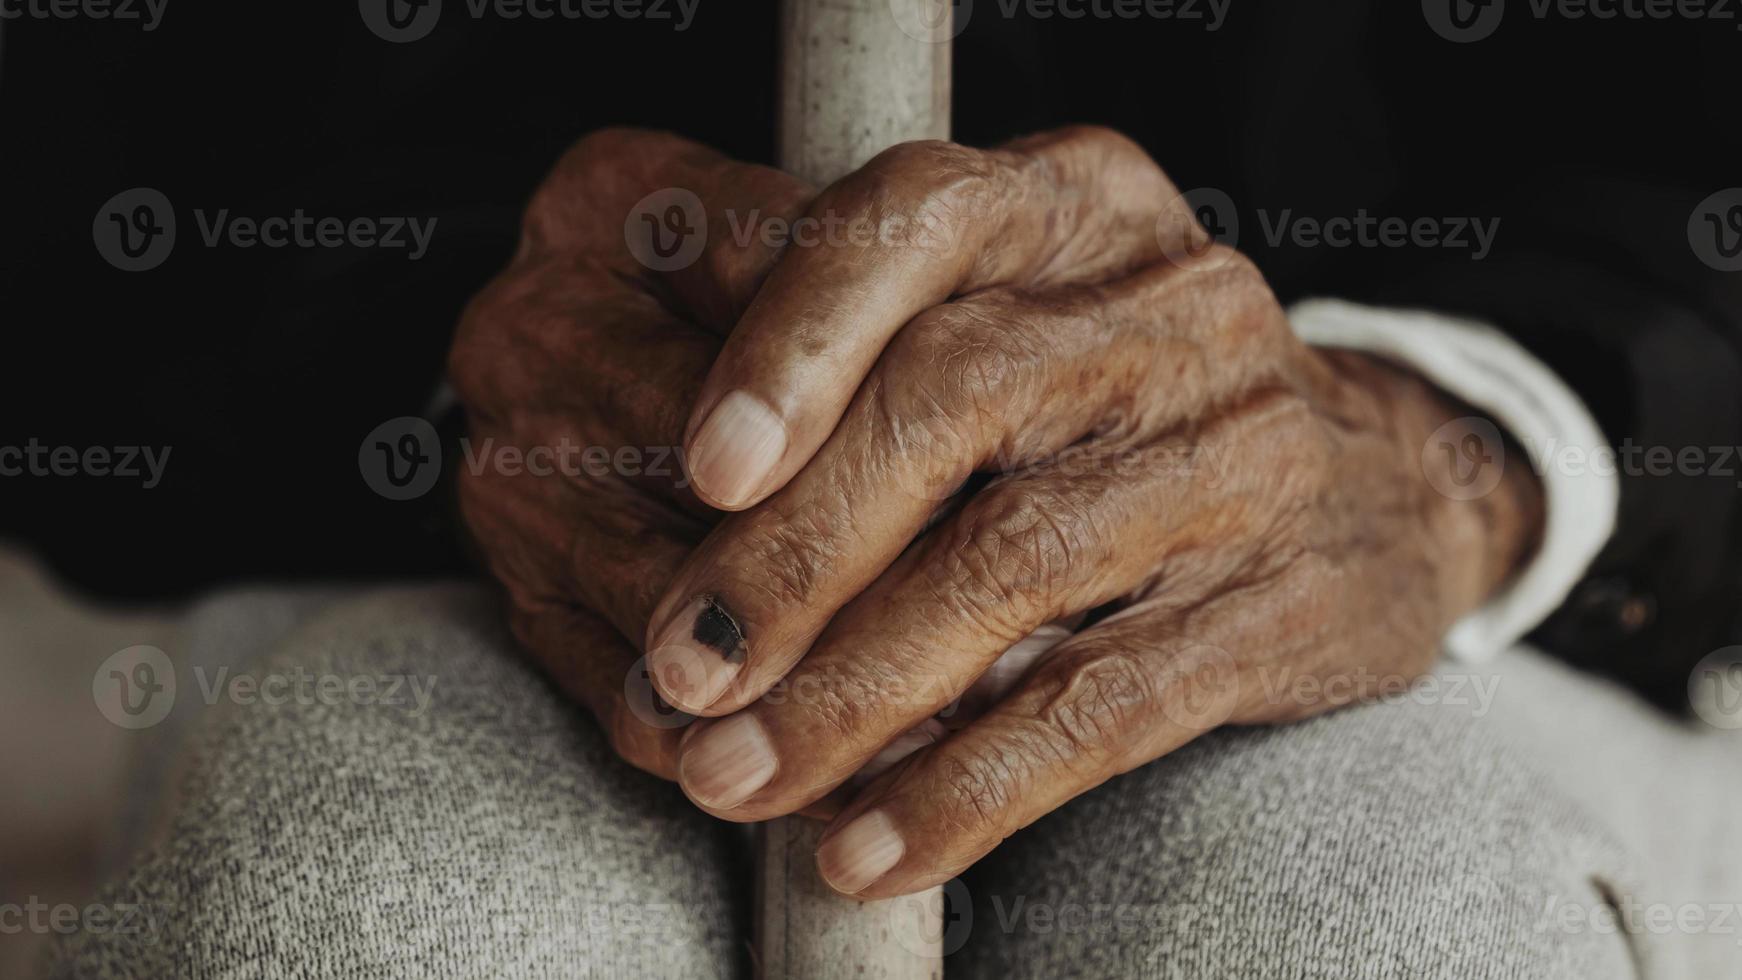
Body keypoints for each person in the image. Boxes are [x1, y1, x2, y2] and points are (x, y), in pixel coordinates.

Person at [19, 4, 1741, 978]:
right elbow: (91, 206)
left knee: (1362, 927)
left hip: (1504, 567)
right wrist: (484, 363)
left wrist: (1447, 451)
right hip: (448, 542)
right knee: (372, 926)